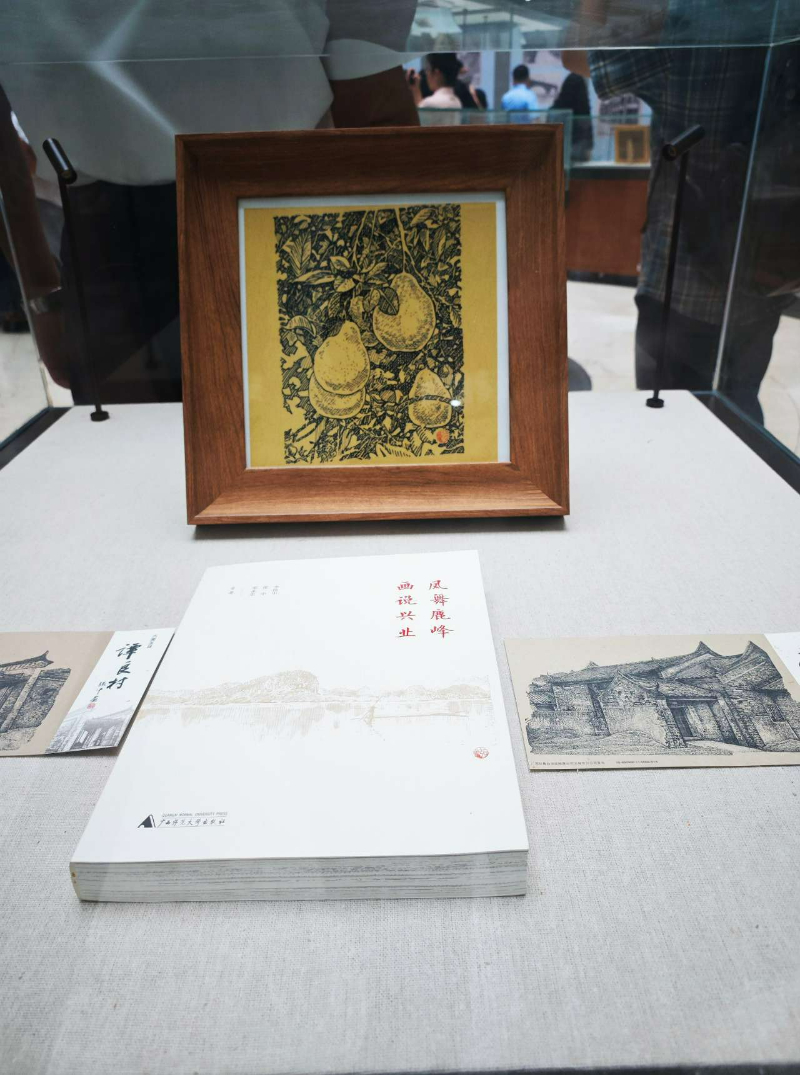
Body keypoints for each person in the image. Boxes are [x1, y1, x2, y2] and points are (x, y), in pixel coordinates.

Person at [1, 0, 420, 400]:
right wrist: (40, 291)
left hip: (275, 219)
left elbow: (373, 105)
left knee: (309, 424)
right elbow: (373, 105)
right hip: (133, 234)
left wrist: (41, 291)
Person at [565, 42, 794, 422]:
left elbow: (577, 55)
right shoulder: (783, 31)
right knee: (739, 408)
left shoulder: (694, 30)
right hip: (768, 269)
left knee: (669, 420)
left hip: (686, 283)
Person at [552, 72, 594, 163]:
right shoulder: (582, 114)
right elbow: (586, 141)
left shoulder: (554, 111)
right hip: (577, 158)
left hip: (556, 158)